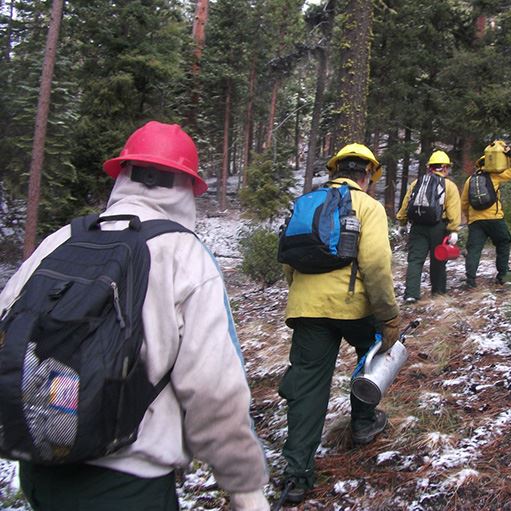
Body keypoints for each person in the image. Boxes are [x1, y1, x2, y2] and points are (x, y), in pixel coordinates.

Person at [0, 121, 270, 511]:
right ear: (187, 187)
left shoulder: (60, 240)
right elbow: (214, 390)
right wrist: (244, 486)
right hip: (127, 483)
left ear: (123, 174)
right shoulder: (186, 256)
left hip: (41, 470)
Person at [279, 143, 400, 504]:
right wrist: (389, 316)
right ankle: (364, 423)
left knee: (307, 387)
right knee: (373, 351)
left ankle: (296, 474)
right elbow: (377, 265)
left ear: (334, 171)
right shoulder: (368, 206)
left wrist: (306, 298)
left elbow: (289, 261)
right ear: (368, 175)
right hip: (353, 307)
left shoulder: (307, 203)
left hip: (307, 309)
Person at [396, 150, 461, 303]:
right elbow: (453, 209)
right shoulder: (449, 186)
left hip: (417, 227)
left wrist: (402, 223)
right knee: (438, 260)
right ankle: (438, 294)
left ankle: (411, 294)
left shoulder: (416, 183)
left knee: (415, 260)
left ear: (429, 167)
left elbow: (406, 204)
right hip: (439, 227)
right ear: (444, 167)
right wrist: (453, 230)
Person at [460, 144, 511, 287]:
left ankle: (470, 281)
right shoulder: (495, 176)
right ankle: (502, 275)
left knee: (474, 250)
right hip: (495, 219)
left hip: (476, 221)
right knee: (503, 242)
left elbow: (464, 203)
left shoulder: (470, 180)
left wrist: (470, 219)